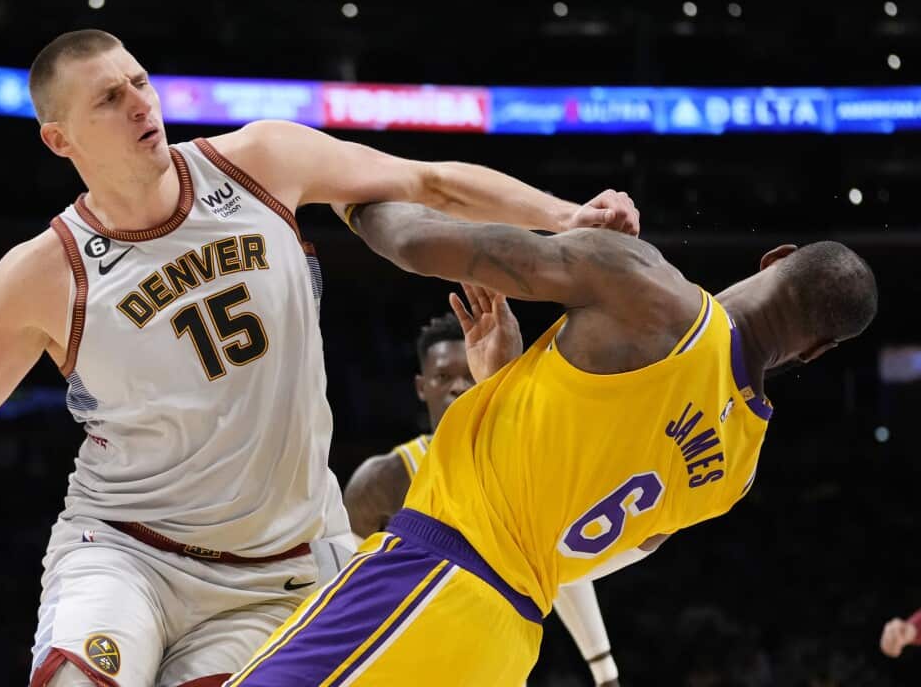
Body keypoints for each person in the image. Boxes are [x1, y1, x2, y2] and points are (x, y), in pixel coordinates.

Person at [0, 29, 639, 687]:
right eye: (108, 98)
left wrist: (564, 216)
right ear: (60, 139)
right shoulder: (43, 273)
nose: (139, 103)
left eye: (140, 81)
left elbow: (426, 180)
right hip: (126, 551)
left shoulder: (260, 162)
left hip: (278, 570)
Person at [226, 200, 877, 686]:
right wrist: (506, 386)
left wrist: (345, 191)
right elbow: (579, 530)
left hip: (429, 580)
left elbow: (417, 241)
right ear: (817, 350)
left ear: (775, 258)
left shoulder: (652, 291)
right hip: (507, 646)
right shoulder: (737, 468)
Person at [342, 304, 621, 687]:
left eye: (468, 375)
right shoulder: (382, 481)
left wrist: (604, 670)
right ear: (422, 386)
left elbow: (560, 567)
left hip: (496, 662)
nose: (458, 386)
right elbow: (347, 593)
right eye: (444, 376)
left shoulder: (519, 466)